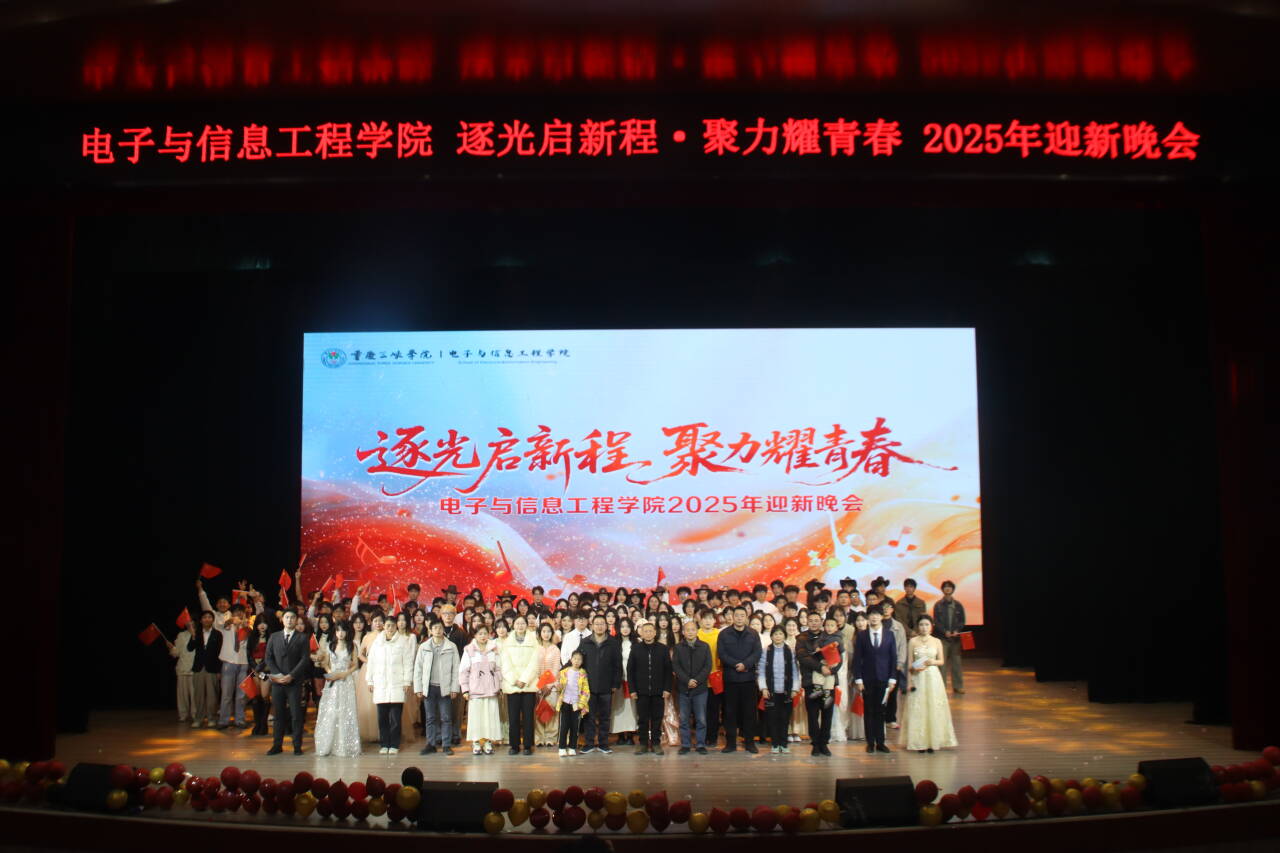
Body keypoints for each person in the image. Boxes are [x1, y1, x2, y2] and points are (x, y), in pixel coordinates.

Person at [900, 615, 958, 753]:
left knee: (933, 707)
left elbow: (941, 661)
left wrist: (933, 662)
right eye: (921, 624)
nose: (924, 627)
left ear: (931, 626)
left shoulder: (937, 641)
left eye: (926, 624)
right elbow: (910, 664)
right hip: (918, 677)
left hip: (933, 677)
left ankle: (933, 741)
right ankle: (919, 741)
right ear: (917, 626)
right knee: (918, 708)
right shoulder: (913, 641)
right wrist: (911, 677)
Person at [365, 614, 414, 755]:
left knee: (395, 718)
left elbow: (408, 663)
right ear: (383, 627)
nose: (390, 628)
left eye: (393, 625)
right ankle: (384, 743)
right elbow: (371, 662)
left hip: (397, 684)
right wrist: (370, 680)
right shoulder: (377, 642)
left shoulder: (403, 642)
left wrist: (407, 681)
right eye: (388, 626)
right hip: (381, 684)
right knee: (382, 718)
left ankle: (394, 744)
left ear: (396, 627)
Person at [264, 610, 310, 755]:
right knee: (278, 714)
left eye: (292, 617)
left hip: (294, 682)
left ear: (296, 620)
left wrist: (291, 675)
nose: (289, 620)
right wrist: (278, 675)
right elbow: (268, 658)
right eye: (287, 617)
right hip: (278, 682)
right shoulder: (274, 636)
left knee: (296, 714)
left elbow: (305, 659)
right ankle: (277, 745)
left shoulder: (302, 638)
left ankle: (297, 745)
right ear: (282, 620)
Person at [717, 605, 762, 753]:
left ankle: (749, 743)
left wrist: (745, 664)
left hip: (748, 679)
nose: (739, 618)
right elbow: (722, 654)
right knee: (730, 713)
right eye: (737, 615)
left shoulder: (753, 634)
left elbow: (757, 653)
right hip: (731, 679)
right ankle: (730, 743)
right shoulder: (724, 634)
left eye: (742, 615)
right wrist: (736, 664)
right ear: (732, 617)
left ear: (746, 617)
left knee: (749, 712)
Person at [853, 607, 897, 754]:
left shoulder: (889, 635)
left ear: (881, 617)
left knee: (881, 711)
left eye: (877, 615)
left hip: (884, 678)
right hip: (867, 679)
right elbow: (857, 659)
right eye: (871, 615)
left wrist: (892, 678)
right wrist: (858, 679)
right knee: (869, 711)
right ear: (868, 618)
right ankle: (870, 742)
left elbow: (893, 658)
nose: (874, 617)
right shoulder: (862, 635)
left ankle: (881, 742)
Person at [414, 618, 461, 756]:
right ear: (430, 630)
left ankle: (446, 744)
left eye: (440, 628)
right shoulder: (424, 647)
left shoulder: (451, 646)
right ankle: (431, 744)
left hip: (444, 687)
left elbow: (456, 669)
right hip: (429, 687)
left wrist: (454, 688)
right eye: (435, 628)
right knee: (430, 718)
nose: (438, 630)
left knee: (446, 717)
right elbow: (418, 669)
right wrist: (418, 688)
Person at [314, 621, 361, 757]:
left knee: (346, 711)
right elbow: (325, 663)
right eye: (338, 630)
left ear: (347, 632)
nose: (341, 633)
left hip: (346, 681)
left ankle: (345, 745)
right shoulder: (331, 646)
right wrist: (331, 673)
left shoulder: (352, 646)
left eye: (343, 630)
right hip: (333, 682)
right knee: (331, 710)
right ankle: (329, 744)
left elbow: (355, 664)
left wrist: (345, 674)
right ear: (335, 632)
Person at [577, 613, 623, 754]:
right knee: (589, 717)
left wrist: (615, 683)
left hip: (606, 686)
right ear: (592, 626)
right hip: (588, 686)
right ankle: (589, 743)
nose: (599, 626)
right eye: (596, 624)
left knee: (605, 717)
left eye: (602, 624)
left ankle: (603, 744)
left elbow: (618, 665)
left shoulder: (613, 643)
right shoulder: (585, 642)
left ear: (606, 626)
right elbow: (577, 660)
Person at [628, 620, 672, 755]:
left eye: (650, 631)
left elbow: (668, 671)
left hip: (658, 691)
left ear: (655, 633)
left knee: (657, 718)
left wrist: (667, 688)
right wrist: (632, 689)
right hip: (641, 691)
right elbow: (630, 670)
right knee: (642, 719)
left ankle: (656, 743)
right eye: (645, 631)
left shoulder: (663, 649)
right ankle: (642, 743)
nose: (648, 633)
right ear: (641, 633)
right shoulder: (635, 649)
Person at [500, 614, 540, 755]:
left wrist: (524, 679)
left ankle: (528, 745)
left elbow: (535, 662)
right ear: (513, 625)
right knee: (513, 717)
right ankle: (514, 745)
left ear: (526, 625)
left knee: (528, 717)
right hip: (513, 685)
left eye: (523, 623)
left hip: (528, 684)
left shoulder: (533, 640)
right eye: (517, 623)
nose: (520, 626)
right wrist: (514, 680)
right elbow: (504, 663)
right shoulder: (507, 642)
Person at [757, 625, 801, 754]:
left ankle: (784, 743)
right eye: (775, 634)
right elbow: (761, 671)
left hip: (787, 690)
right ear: (771, 636)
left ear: (784, 636)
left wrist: (794, 688)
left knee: (785, 718)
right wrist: (763, 688)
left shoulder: (790, 651)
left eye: (780, 634)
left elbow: (795, 671)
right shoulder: (766, 651)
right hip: (771, 690)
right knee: (772, 718)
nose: (778, 636)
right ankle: (775, 743)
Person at [460, 624, 503, 755]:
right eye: (480, 634)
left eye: (485, 633)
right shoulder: (469, 650)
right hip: (475, 689)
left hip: (491, 689)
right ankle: (476, 742)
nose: (483, 636)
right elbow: (463, 671)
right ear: (475, 635)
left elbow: (499, 669)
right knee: (476, 717)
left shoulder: (494, 649)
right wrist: (465, 689)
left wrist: (500, 686)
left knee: (490, 716)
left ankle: (488, 741)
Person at [673, 618, 711, 754]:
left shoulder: (704, 646)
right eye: (687, 630)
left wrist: (696, 680)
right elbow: (676, 666)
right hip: (683, 688)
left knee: (701, 719)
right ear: (683, 632)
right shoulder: (678, 647)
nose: (690, 632)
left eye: (693, 629)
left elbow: (707, 667)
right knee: (684, 719)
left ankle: (700, 744)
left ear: (697, 631)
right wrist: (687, 680)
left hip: (700, 689)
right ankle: (686, 744)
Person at [188, 610, 222, 729]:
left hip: (212, 668)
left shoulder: (218, 634)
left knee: (212, 696)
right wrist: (193, 636)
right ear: (201, 620)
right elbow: (189, 648)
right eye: (204, 617)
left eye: (209, 617)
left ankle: (211, 718)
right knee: (198, 695)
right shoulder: (196, 633)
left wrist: (219, 670)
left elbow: (219, 653)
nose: (207, 619)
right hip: (199, 668)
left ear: (213, 620)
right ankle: (198, 718)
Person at [932, 580, 967, 694]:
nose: (947, 589)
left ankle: (958, 686)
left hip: (955, 639)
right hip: (942, 639)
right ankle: (941, 687)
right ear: (942, 590)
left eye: (949, 587)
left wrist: (957, 630)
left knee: (956, 663)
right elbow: (936, 621)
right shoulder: (938, 605)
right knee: (942, 664)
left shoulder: (958, 605)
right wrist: (944, 631)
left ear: (953, 589)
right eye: (945, 587)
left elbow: (962, 621)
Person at [880, 599, 908, 729]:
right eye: (883, 607)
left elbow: (902, 645)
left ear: (892, 609)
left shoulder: (898, 626)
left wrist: (900, 662)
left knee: (892, 691)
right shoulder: (875, 623)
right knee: (879, 690)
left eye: (888, 607)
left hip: (893, 663)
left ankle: (891, 718)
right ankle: (879, 717)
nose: (886, 609)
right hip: (879, 663)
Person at [557, 649, 591, 756]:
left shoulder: (583, 673)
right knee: (564, 727)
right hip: (565, 702)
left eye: (579, 659)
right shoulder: (564, 672)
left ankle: (572, 747)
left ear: (582, 661)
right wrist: (559, 687)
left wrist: (581, 704)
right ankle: (562, 747)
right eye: (575, 658)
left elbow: (586, 690)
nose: (577, 661)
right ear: (571, 659)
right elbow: (559, 687)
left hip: (577, 704)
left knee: (575, 727)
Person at [534, 622, 562, 747]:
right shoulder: (535, 648)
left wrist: (549, 686)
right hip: (537, 686)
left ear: (552, 633)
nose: (546, 634)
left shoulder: (555, 649)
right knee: (538, 711)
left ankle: (551, 737)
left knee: (551, 711)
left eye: (549, 631)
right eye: (544, 631)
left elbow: (556, 669)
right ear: (539, 633)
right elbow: (534, 668)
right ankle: (539, 738)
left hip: (552, 686)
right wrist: (539, 685)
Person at [244, 617, 273, 735]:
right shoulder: (252, 637)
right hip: (254, 670)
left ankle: (264, 724)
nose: (262, 626)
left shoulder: (271, 637)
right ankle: (258, 724)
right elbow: (248, 653)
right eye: (260, 623)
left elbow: (270, 655)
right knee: (256, 697)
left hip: (266, 670)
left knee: (265, 695)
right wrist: (254, 667)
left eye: (264, 623)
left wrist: (260, 667)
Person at [356, 612, 382, 742]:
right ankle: (371, 732)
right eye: (375, 621)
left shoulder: (387, 634)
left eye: (380, 620)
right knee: (368, 700)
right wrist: (369, 662)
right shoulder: (367, 636)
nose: (378, 623)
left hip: (383, 670)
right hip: (368, 670)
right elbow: (360, 654)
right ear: (371, 622)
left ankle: (382, 732)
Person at [611, 618, 638, 745]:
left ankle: (631, 734)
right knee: (618, 708)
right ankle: (620, 735)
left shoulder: (637, 643)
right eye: (622, 626)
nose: (625, 629)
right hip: (618, 680)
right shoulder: (614, 643)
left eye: (627, 626)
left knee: (631, 708)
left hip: (632, 681)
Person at [783, 617, 808, 744]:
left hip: (799, 675)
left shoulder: (801, 641)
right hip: (785, 676)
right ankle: (787, 731)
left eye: (793, 625)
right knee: (786, 703)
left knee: (798, 704)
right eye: (789, 625)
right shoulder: (782, 641)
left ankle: (796, 731)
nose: (791, 628)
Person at [166, 622, 198, 724]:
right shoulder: (181, 635)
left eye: (191, 622)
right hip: (182, 668)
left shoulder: (200, 634)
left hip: (195, 669)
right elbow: (176, 653)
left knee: (195, 695)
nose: (189, 624)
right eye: (188, 623)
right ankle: (183, 715)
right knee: (182, 695)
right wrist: (171, 648)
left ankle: (195, 715)